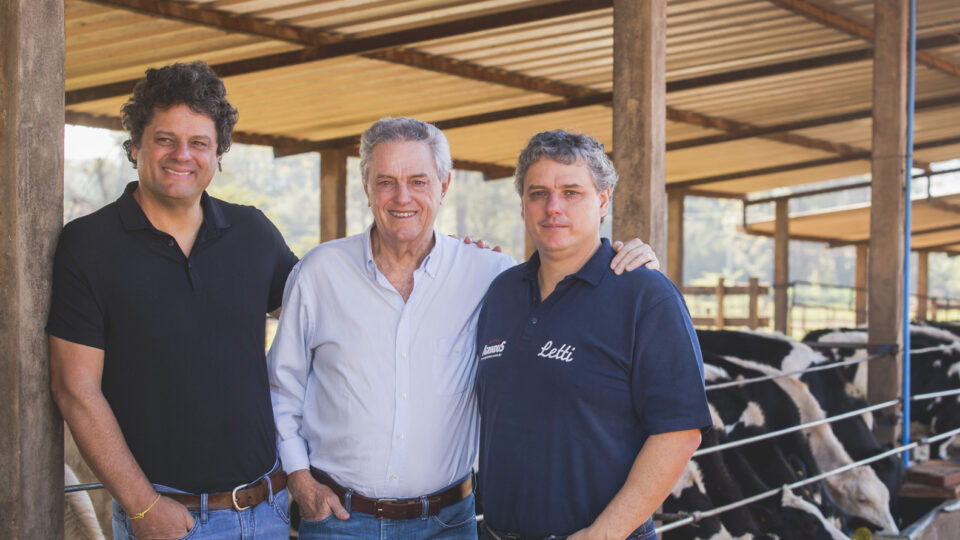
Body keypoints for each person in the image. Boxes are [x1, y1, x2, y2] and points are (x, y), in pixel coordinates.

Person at [267, 117, 658, 540]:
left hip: (447, 523)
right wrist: (299, 480)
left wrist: (631, 258)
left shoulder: (491, 274)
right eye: (386, 182)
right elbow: (280, 387)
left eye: (419, 181)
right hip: (339, 520)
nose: (402, 197)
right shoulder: (319, 272)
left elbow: (568, 273)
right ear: (366, 188)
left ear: (444, 185)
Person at [48, 62, 297, 540]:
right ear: (136, 144)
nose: (182, 155)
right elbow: (74, 388)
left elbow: (329, 315)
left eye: (199, 143)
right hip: (166, 521)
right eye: (165, 139)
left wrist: (446, 259)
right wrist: (143, 509)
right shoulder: (89, 244)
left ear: (218, 153)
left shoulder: (252, 233)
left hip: (267, 509)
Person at [474, 130, 712, 540]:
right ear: (523, 205)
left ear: (603, 201)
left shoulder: (646, 295)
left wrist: (602, 534)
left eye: (571, 192)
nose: (553, 208)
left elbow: (679, 433)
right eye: (538, 193)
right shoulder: (500, 293)